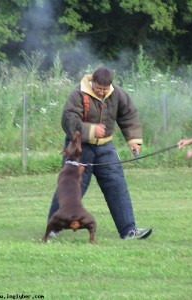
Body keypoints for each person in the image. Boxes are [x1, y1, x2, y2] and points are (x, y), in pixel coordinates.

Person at [48, 67, 152, 240]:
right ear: (92, 82)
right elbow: (69, 121)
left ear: (110, 86)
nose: (102, 92)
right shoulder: (78, 95)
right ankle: (53, 228)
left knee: (117, 186)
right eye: (99, 88)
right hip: (79, 148)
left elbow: (129, 115)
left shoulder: (117, 94)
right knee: (70, 188)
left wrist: (134, 141)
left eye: (105, 89)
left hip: (106, 148)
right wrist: (90, 130)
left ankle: (128, 231)